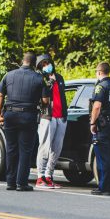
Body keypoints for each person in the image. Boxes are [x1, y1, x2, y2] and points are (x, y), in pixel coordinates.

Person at [0, 52, 49, 191]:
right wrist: (42, 105)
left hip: (10, 115)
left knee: (11, 148)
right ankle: (21, 183)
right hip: (28, 116)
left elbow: (0, 94)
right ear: (33, 64)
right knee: (25, 150)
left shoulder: (9, 75)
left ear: (22, 61)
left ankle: (10, 182)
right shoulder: (38, 78)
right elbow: (45, 101)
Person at [35, 53, 68, 189]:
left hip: (61, 117)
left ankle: (49, 175)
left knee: (56, 148)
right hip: (47, 117)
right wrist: (50, 83)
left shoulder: (59, 77)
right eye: (42, 65)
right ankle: (40, 177)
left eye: (47, 63)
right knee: (44, 147)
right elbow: (43, 100)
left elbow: (62, 95)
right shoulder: (40, 79)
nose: (46, 66)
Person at [89, 62, 110, 196]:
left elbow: (96, 106)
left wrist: (92, 123)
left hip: (103, 124)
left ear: (99, 72)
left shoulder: (101, 87)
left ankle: (103, 187)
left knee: (102, 156)